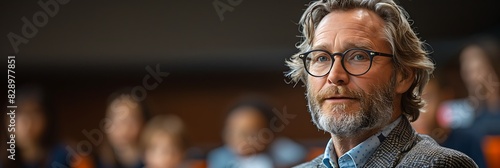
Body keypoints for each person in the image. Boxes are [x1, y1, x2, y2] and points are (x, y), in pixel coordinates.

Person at [285, 0, 477, 167]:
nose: (334, 75)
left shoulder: (439, 164)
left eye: (358, 56)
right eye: (321, 58)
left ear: (403, 77)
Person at [97, 88, 149, 168]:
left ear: (144, 122)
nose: (123, 128)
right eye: (115, 120)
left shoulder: (156, 162)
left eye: (130, 121)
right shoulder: (99, 161)